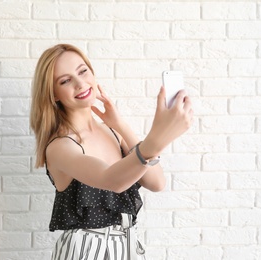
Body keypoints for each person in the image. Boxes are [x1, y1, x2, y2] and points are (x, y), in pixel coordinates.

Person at [30, 43, 193, 260]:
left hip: (126, 245)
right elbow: (112, 180)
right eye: (65, 80)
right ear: (53, 94)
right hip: (85, 250)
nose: (80, 83)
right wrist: (159, 135)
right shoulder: (60, 146)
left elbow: (157, 182)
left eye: (82, 71)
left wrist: (121, 125)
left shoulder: (112, 132)